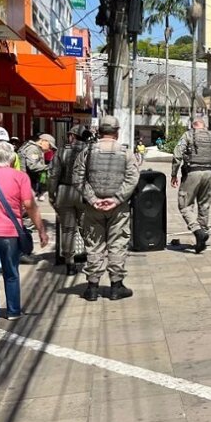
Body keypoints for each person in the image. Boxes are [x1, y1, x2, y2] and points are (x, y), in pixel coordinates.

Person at [0, 140, 49, 331]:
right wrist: (41, 229)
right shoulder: (20, 177)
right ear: (12, 158)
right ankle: (13, 310)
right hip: (9, 232)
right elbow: (29, 205)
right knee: (11, 272)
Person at [73, 116, 140, 301]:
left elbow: (77, 177)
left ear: (99, 131)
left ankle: (92, 288)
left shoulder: (88, 151)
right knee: (117, 244)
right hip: (118, 208)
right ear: (117, 132)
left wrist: (93, 199)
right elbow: (132, 178)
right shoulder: (126, 152)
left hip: (94, 208)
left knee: (94, 245)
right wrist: (117, 199)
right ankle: (116, 287)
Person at [171, 117, 211, 254]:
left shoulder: (188, 135)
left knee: (184, 205)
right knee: (204, 206)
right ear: (205, 126)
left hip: (192, 173)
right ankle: (202, 237)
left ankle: (197, 230)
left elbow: (177, 154)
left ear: (192, 125)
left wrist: (174, 174)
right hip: (209, 173)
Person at [49, 125, 88, 275]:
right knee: (88, 229)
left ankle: (70, 264)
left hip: (64, 192)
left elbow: (54, 175)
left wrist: (52, 194)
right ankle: (91, 260)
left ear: (72, 136)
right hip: (84, 193)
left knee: (68, 230)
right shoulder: (89, 151)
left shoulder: (61, 152)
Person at [19, 133, 55, 198]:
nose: (50, 149)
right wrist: (49, 167)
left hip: (27, 182)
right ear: (43, 141)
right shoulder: (33, 149)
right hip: (27, 182)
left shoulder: (35, 148)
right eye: (49, 146)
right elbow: (33, 166)